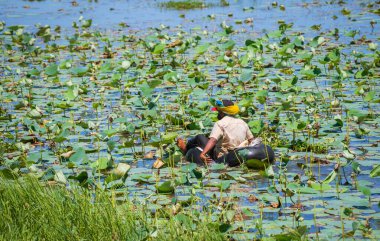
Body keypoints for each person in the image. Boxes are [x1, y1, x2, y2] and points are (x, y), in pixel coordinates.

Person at [177, 99, 259, 167]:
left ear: (222, 113)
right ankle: (185, 148)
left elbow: (213, 140)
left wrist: (203, 154)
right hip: (240, 152)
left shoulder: (220, 123)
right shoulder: (242, 122)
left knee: (199, 138)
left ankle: (185, 149)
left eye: (218, 112)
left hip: (224, 156)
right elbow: (251, 140)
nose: (217, 114)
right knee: (202, 138)